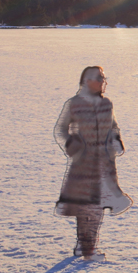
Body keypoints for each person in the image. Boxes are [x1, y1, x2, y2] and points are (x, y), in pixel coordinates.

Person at [54, 66, 132, 262]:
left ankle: (85, 245)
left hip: (105, 162)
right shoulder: (74, 104)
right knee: (88, 204)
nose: (104, 82)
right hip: (84, 163)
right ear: (88, 81)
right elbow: (60, 130)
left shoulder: (107, 104)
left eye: (104, 78)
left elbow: (113, 126)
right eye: (100, 78)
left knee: (97, 203)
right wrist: (72, 146)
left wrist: (116, 140)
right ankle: (88, 248)